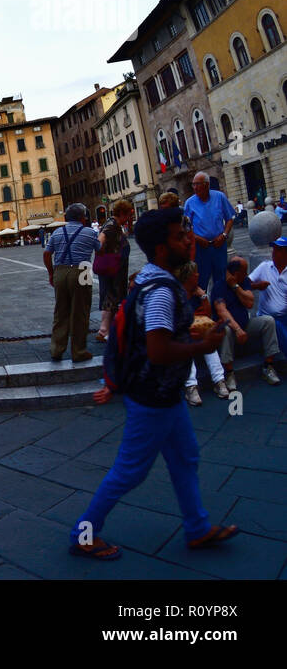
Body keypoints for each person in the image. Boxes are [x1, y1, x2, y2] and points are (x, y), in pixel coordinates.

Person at [70, 207, 238, 560]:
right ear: (162, 248)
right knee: (129, 472)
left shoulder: (149, 277)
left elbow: (156, 336)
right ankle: (83, 533)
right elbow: (158, 350)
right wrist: (202, 345)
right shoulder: (161, 290)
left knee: (184, 457)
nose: (188, 239)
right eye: (181, 235)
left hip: (165, 394)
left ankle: (197, 527)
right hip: (152, 396)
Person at [211, 255, 281, 390]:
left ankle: (268, 366)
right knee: (225, 329)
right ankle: (229, 373)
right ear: (237, 273)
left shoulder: (243, 283)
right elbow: (222, 311)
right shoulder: (219, 286)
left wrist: (235, 286)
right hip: (231, 329)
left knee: (268, 321)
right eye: (245, 271)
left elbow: (249, 303)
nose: (247, 274)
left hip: (246, 325)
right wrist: (237, 329)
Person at [43, 203, 101, 362]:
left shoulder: (57, 232)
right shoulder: (90, 232)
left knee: (60, 312)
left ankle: (56, 350)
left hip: (60, 271)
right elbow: (100, 250)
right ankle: (79, 351)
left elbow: (47, 254)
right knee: (81, 312)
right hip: (83, 269)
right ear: (83, 218)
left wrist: (51, 273)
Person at [173, 261, 227, 405]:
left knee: (209, 343)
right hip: (181, 336)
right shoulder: (176, 295)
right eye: (195, 273)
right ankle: (191, 386)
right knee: (185, 343)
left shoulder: (197, 293)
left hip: (196, 332)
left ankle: (219, 380)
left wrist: (203, 297)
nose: (198, 275)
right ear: (188, 276)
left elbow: (206, 315)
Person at [184, 171, 235, 292]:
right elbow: (185, 227)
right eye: (193, 184)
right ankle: (202, 307)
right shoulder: (189, 203)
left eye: (198, 184)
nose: (195, 187)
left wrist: (224, 235)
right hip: (201, 247)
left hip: (219, 245)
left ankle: (219, 304)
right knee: (201, 279)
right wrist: (197, 238)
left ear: (206, 185)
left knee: (221, 279)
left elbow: (230, 218)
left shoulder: (219, 197)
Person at [247, 236, 287, 385]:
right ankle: (268, 367)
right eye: (274, 250)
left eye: (279, 250)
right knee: (274, 324)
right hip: (268, 318)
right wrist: (258, 286)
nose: (274, 253)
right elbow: (246, 284)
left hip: (285, 316)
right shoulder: (265, 267)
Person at [94, 201, 133, 340]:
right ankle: (106, 330)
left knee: (110, 295)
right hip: (112, 268)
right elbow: (100, 240)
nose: (130, 218)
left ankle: (106, 329)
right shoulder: (111, 225)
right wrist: (103, 253)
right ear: (122, 213)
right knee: (112, 295)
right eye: (129, 215)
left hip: (115, 267)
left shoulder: (112, 224)